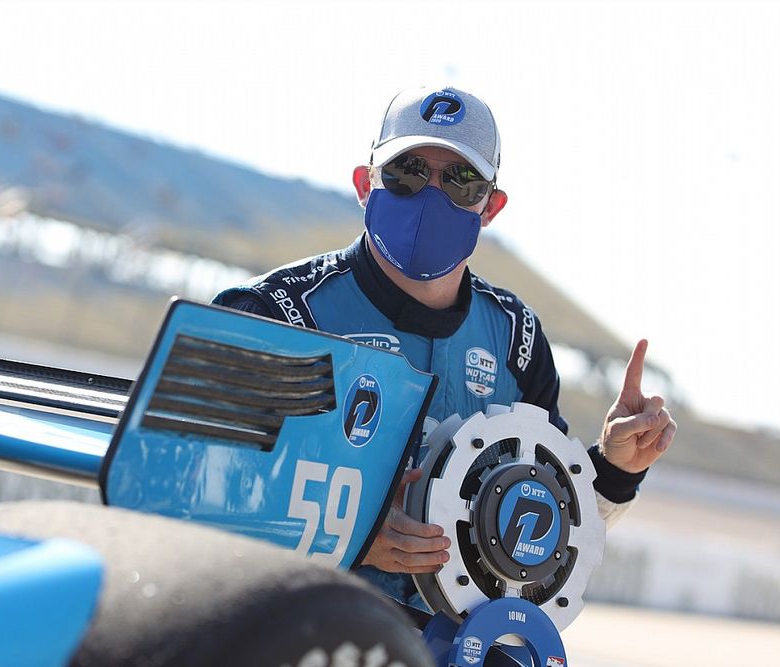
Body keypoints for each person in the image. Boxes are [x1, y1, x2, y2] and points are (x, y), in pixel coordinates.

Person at [212, 85, 676, 631]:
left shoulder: (516, 338)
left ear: (491, 207)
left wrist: (616, 468)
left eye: (460, 181)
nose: (431, 195)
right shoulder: (276, 313)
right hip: (293, 633)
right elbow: (195, 492)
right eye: (407, 171)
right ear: (365, 184)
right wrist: (344, 533)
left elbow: (536, 533)